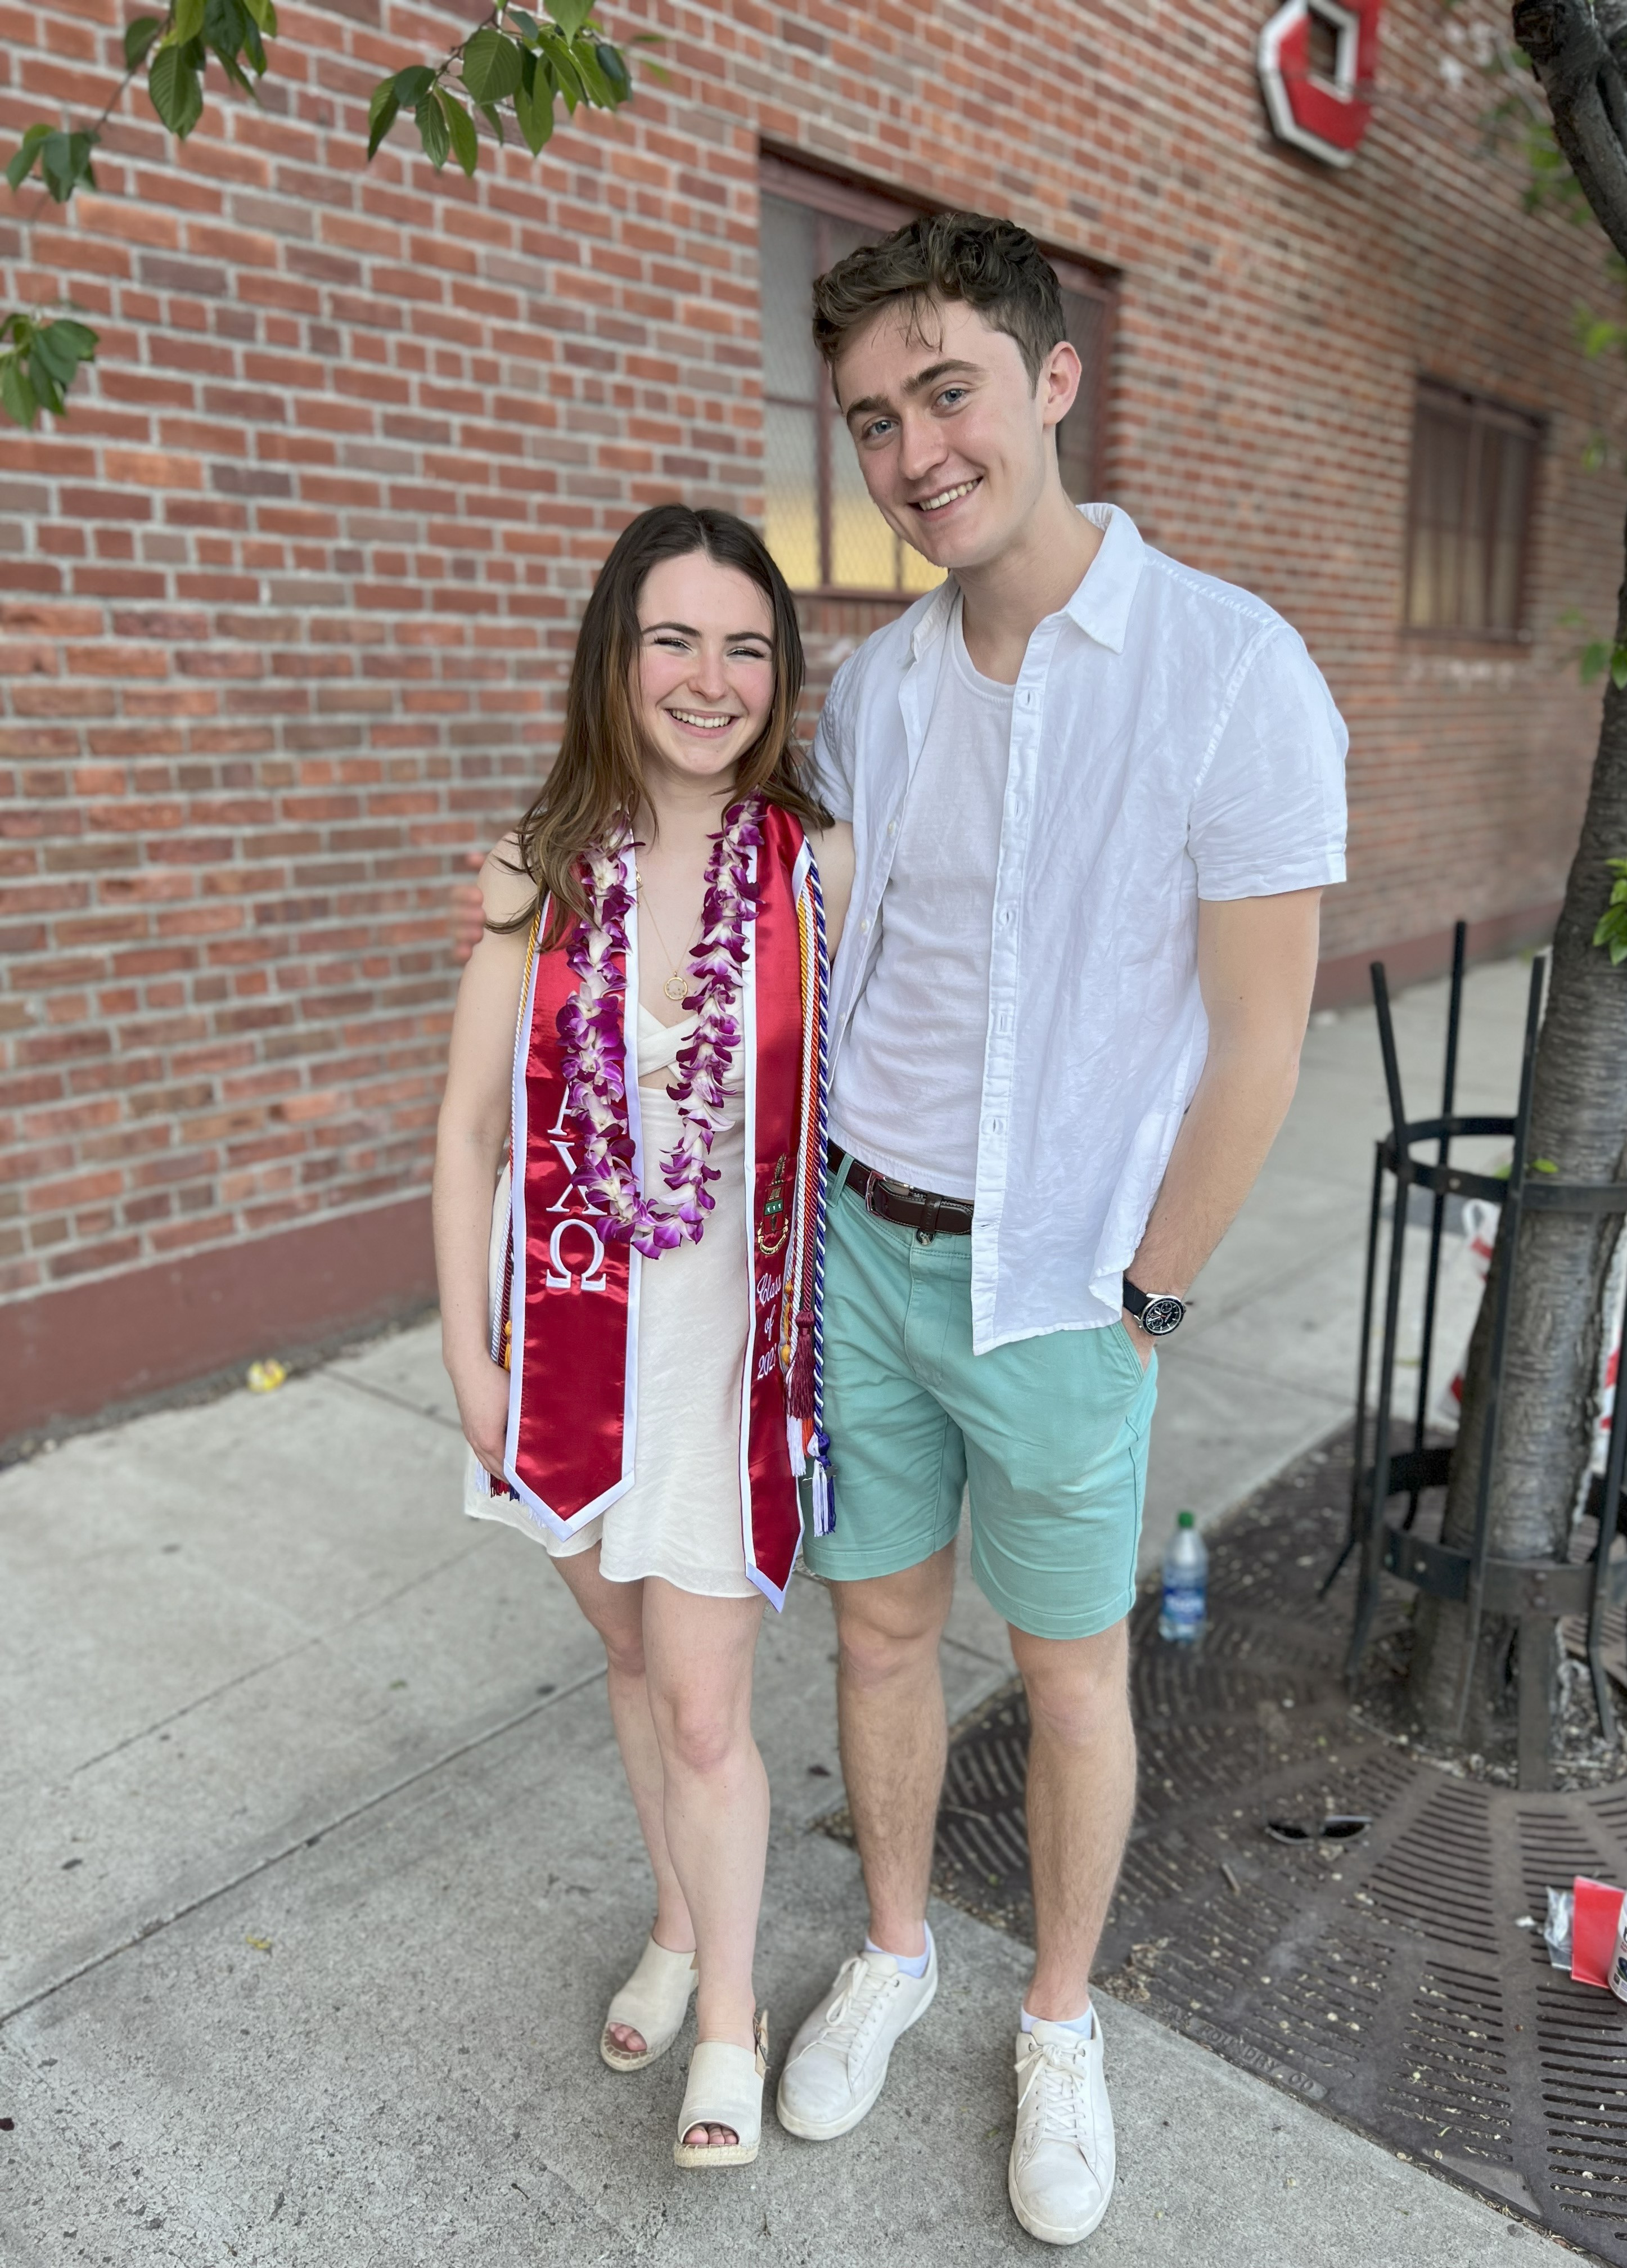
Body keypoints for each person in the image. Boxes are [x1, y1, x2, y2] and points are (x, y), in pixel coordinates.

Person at [449, 214, 1345, 2248]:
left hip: (1066, 1287)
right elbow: (725, 858)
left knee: (1076, 1674)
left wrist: (1145, 1301)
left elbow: (1265, 1048)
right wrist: (539, 863)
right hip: (857, 1254)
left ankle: (1054, 2019)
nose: (913, 447)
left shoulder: (1230, 671)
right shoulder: (876, 692)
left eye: (947, 391)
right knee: (875, 1636)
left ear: (1051, 379)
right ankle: (889, 1953)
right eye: (870, 417)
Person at [432, 503, 853, 2173]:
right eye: (674, 638)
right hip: (565, 1360)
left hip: (726, 1371)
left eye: (746, 645)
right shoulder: (538, 869)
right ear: (617, 653)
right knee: (626, 1663)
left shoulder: (807, 866)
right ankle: (677, 1925)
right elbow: (468, 1132)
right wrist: (468, 1362)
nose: (710, 677)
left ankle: (733, 2019)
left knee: (702, 1711)